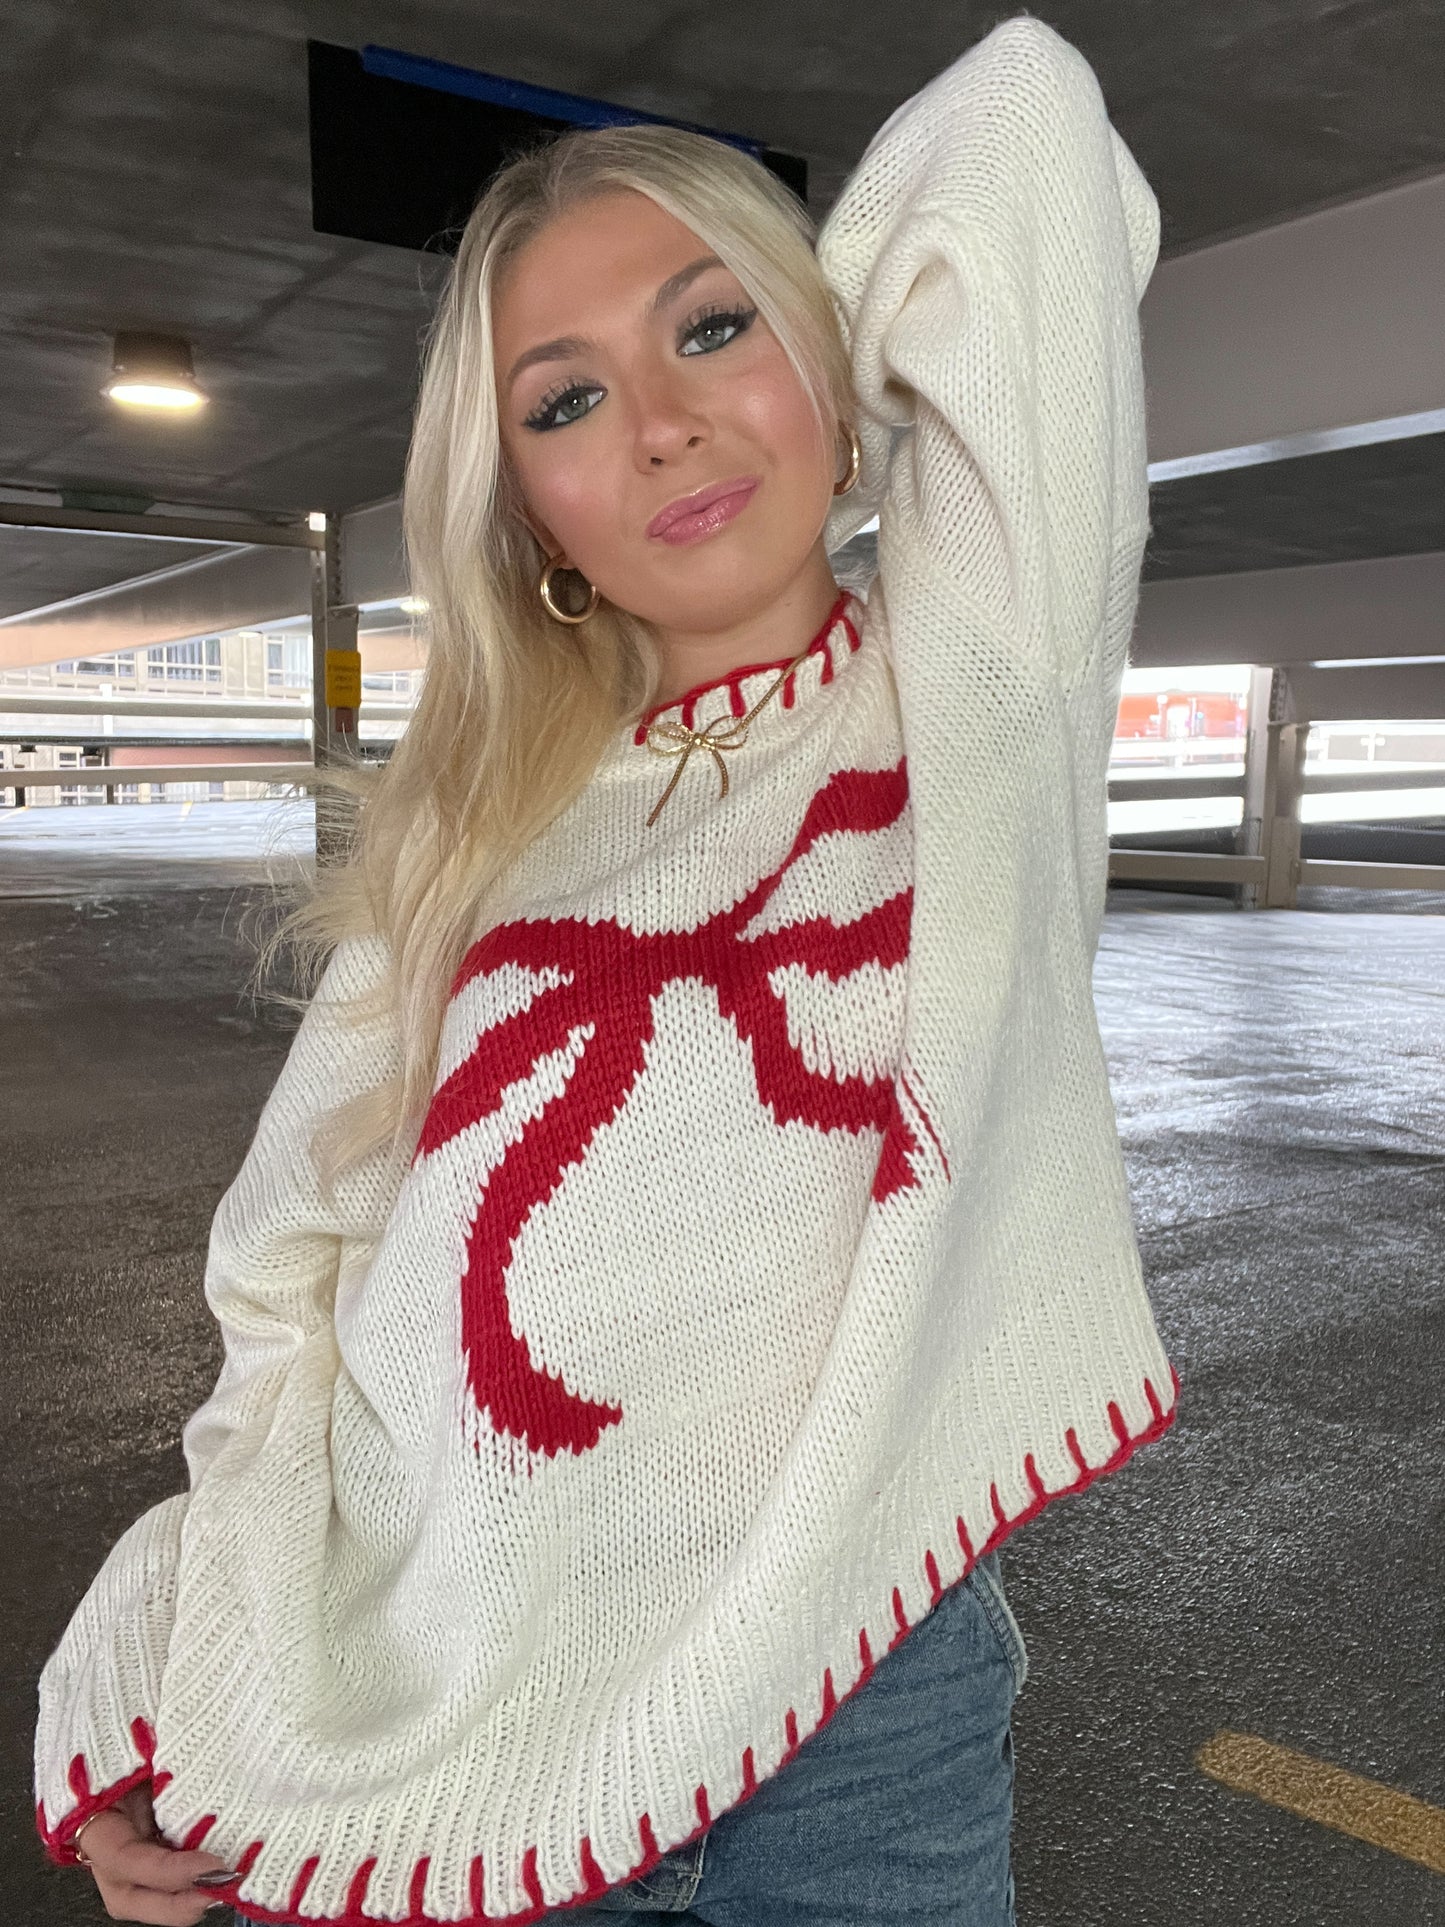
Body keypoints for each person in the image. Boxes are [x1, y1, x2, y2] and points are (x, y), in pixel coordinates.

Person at [33, 14, 1178, 1925]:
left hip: (858, 1710)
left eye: (711, 330)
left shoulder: (983, 683)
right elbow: (292, 1274)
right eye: (560, 404)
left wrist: (821, 352)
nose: (656, 424)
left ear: (828, 357)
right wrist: (158, 1658)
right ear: (527, 512)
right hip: (459, 1702)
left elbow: (1025, 121)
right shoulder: (477, 828)